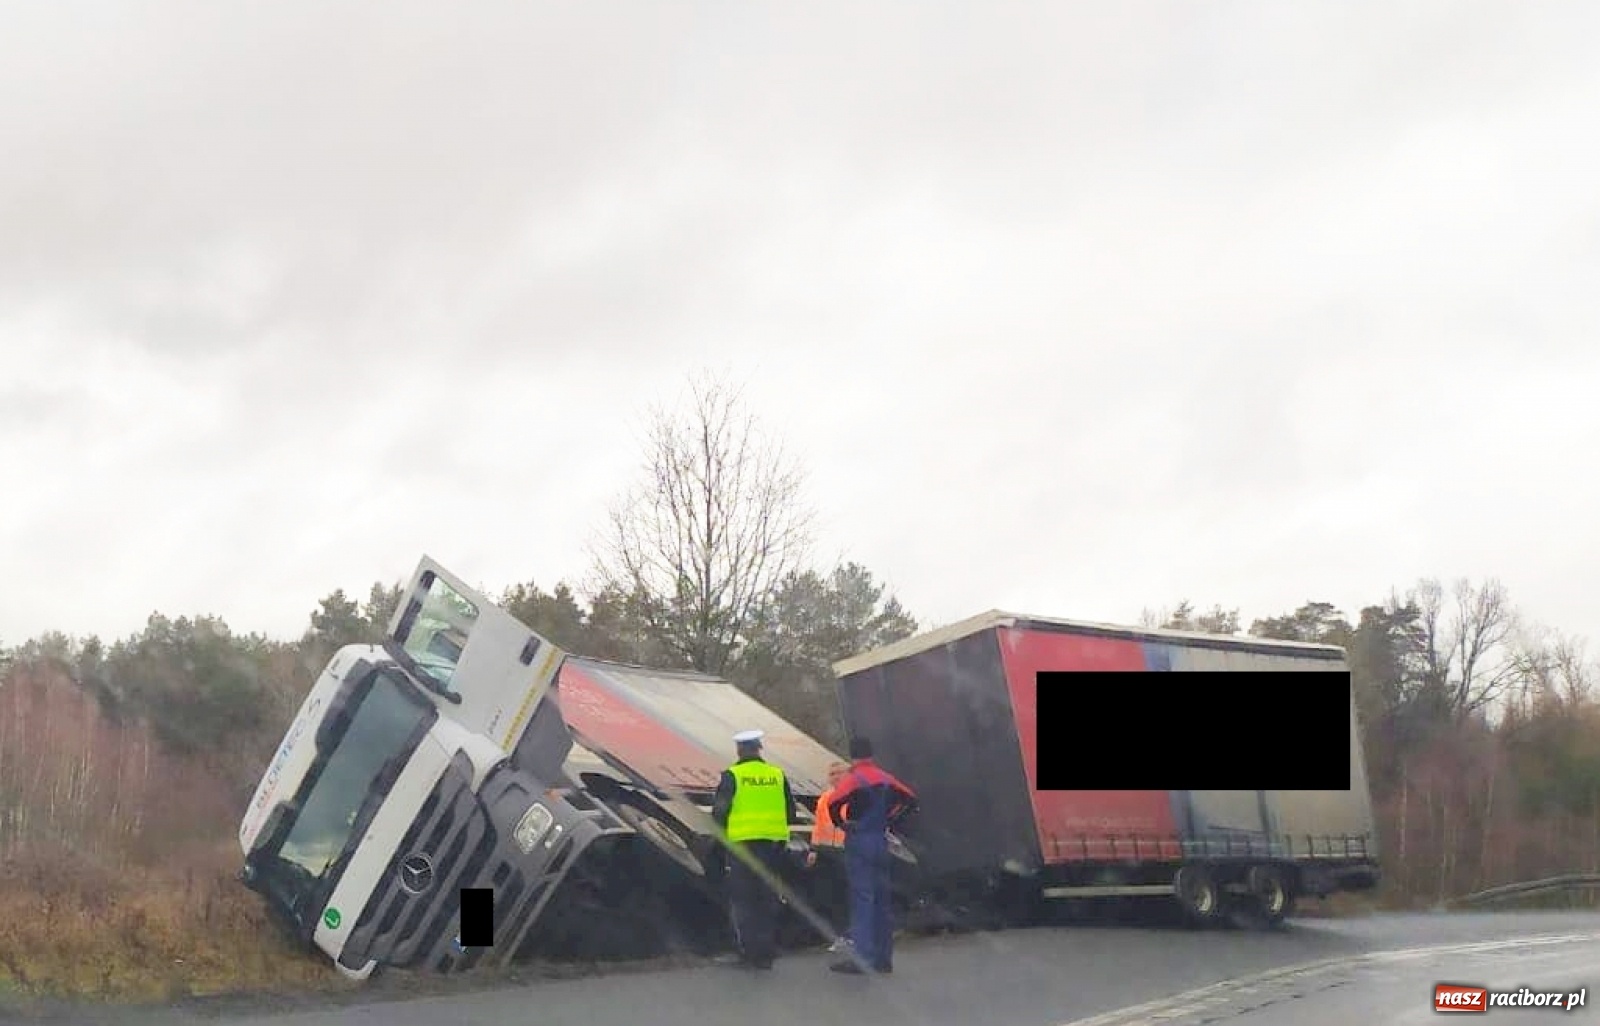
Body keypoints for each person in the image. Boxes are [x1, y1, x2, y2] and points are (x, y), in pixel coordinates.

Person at [710, 728, 800, 970]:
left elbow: (719, 813)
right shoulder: (777, 775)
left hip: (742, 847)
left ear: (739, 750)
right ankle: (766, 952)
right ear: (759, 749)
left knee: (744, 900)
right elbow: (790, 812)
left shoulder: (732, 775)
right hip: (772, 847)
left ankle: (748, 952)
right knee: (767, 898)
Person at [827, 737, 917, 975]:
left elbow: (833, 803)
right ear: (871, 754)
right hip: (880, 840)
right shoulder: (886, 778)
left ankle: (863, 958)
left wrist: (842, 824)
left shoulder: (853, 779)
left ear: (853, 755)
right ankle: (883, 958)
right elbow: (910, 799)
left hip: (860, 841)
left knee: (862, 899)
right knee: (882, 901)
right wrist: (891, 819)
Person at [807, 762, 850, 952]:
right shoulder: (824, 798)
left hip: (847, 850)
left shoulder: (853, 797)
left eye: (839, 773)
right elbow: (818, 826)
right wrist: (813, 849)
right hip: (827, 852)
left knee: (848, 895)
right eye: (832, 773)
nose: (835, 776)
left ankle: (851, 934)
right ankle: (841, 935)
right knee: (833, 896)